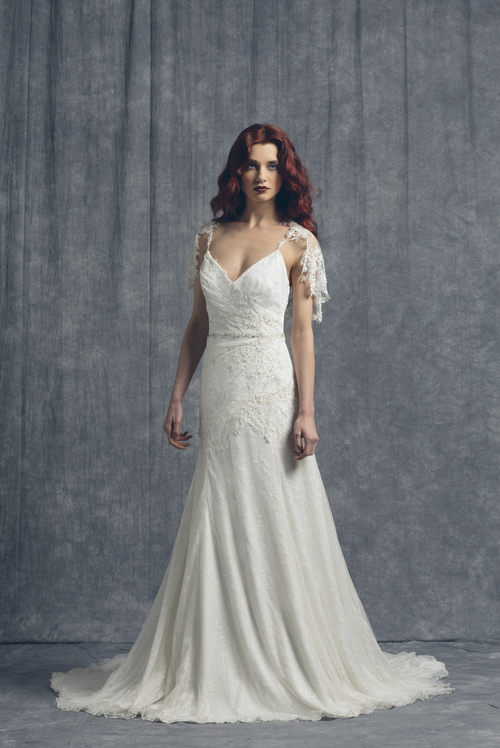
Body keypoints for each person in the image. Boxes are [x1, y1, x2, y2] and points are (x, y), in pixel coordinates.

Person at [51, 124, 453, 723]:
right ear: (235, 173)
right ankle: (217, 655)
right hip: (221, 389)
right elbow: (198, 325)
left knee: (277, 509)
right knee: (218, 509)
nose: (261, 175)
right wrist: (177, 394)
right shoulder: (208, 237)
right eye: (250, 164)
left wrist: (307, 410)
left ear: (284, 175)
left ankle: (285, 654)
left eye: (271, 165)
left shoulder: (299, 243)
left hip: (271, 391)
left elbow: (302, 334)